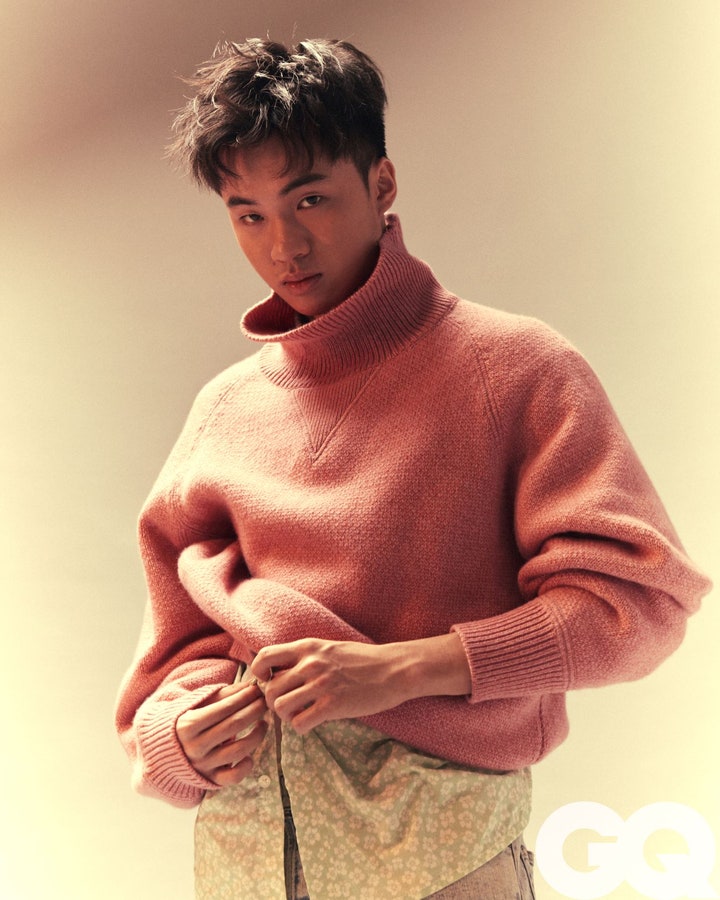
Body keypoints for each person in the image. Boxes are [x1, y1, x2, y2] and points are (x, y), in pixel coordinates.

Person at [115, 38, 711, 899]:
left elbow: (636, 604)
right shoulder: (226, 408)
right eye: (248, 215)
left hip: (442, 854)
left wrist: (402, 668)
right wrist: (181, 734)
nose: (284, 244)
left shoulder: (516, 368)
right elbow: (180, 645)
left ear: (382, 184)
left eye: (309, 199)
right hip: (248, 856)